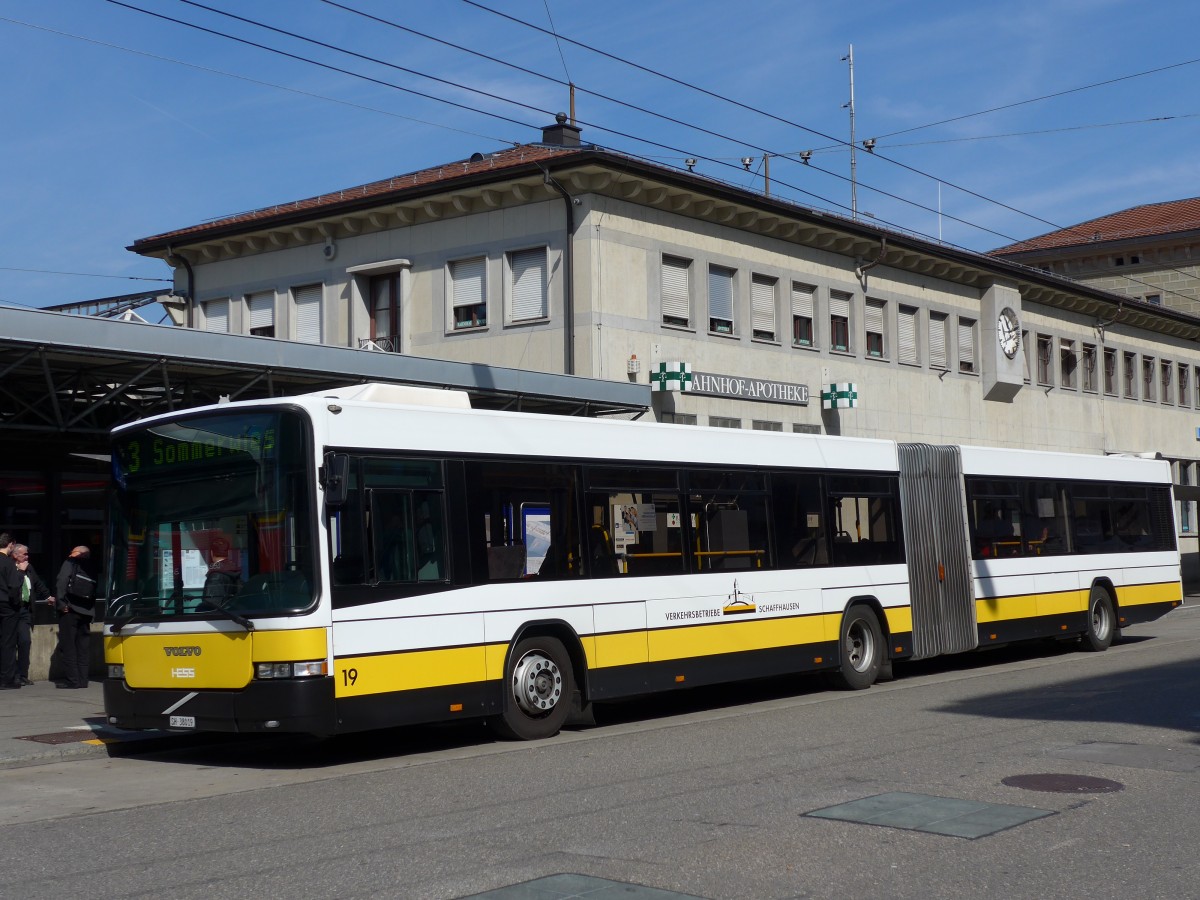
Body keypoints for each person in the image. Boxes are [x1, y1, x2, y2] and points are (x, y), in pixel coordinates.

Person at [10, 544, 55, 686]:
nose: (27, 557)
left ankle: (23, 673)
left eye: (27, 554)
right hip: (12, 610)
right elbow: (11, 586)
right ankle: (13, 674)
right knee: (10, 644)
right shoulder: (9, 567)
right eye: (24, 554)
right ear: (15, 555)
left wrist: (48, 596)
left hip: (25, 610)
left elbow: (37, 583)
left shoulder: (29, 567)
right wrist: (20, 572)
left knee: (25, 641)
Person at [54, 546, 97, 689]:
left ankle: (73, 680)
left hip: (70, 610)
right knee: (83, 648)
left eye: (72, 551)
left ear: (78, 553)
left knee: (69, 646)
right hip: (86, 611)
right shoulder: (92, 566)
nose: (70, 553)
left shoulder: (70, 563)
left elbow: (61, 582)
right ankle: (83, 680)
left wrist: (61, 603)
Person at [0, 533, 28, 690]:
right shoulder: (8, 563)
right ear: (10, 544)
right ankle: (6, 679)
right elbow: (14, 586)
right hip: (7, 606)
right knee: (8, 642)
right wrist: (21, 573)